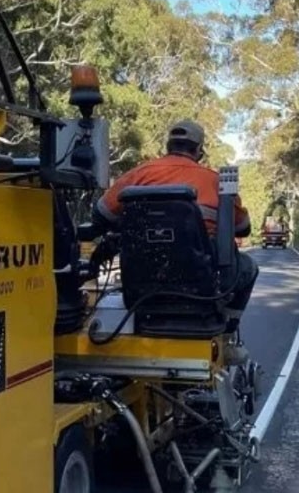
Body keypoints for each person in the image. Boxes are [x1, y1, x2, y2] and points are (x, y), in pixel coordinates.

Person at [92, 119, 259, 361]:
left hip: (143, 285)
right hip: (201, 282)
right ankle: (227, 334)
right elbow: (243, 228)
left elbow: (101, 215)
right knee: (248, 267)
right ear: (198, 151)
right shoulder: (216, 181)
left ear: (168, 146)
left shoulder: (139, 174)